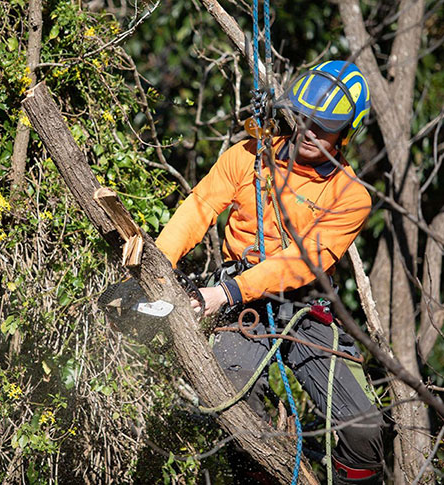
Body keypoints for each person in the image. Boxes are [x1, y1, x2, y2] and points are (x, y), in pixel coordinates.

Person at [155, 60, 384, 483]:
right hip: (243, 302)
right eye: (305, 119)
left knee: (364, 428)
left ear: (347, 133)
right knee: (231, 392)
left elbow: (301, 262)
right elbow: (200, 207)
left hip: (305, 305)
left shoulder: (350, 196)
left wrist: (224, 293)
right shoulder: (249, 156)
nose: (310, 132)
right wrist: (157, 261)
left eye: (325, 126)